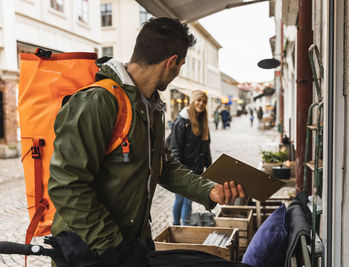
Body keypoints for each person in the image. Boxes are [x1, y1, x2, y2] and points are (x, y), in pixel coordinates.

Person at [48, 17, 245, 265]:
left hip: (130, 245)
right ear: (172, 62)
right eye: (180, 66)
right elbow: (67, 184)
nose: (177, 73)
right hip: (90, 251)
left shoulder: (151, 107)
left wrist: (209, 191)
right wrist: (113, 246)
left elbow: (165, 166)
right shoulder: (99, 101)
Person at [167, 90, 212, 225]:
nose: (201, 104)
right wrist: (180, 171)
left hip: (196, 169)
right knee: (181, 200)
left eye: (204, 102)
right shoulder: (182, 121)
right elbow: (175, 148)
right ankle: (177, 226)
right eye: (198, 100)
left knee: (187, 201)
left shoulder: (203, 121)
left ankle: (183, 228)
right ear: (192, 101)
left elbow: (206, 147)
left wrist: (209, 167)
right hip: (184, 169)